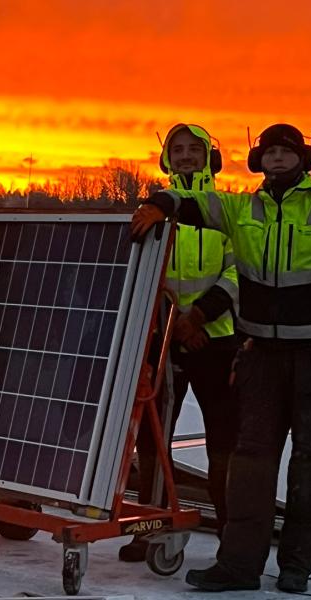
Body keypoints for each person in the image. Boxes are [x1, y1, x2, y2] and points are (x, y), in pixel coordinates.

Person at [131, 124, 311, 592]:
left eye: (285, 152)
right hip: (260, 356)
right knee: (250, 464)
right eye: (269, 151)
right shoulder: (241, 209)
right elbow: (192, 204)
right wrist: (160, 203)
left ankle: (296, 565)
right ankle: (239, 565)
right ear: (258, 160)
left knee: (309, 464)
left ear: (303, 159)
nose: (276, 158)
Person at [119, 124, 239, 562]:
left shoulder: (229, 211)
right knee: (153, 441)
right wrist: (170, 324)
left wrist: (200, 317)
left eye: (195, 149)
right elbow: (139, 272)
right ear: (166, 158)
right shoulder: (151, 211)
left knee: (224, 442)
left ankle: (232, 535)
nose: (186, 156)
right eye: (178, 149)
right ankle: (149, 528)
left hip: (215, 341)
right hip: (163, 339)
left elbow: (240, 272)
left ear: (211, 157)